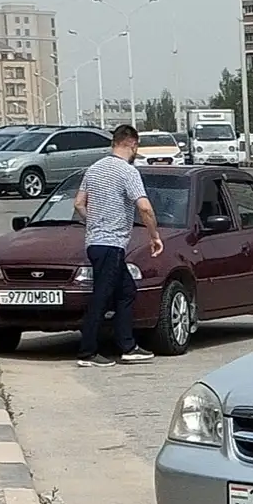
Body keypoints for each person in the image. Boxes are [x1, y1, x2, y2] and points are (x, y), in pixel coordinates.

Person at [72, 124, 164, 366]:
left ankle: (128, 346)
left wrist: (93, 220)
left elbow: (79, 203)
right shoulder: (127, 172)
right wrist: (154, 236)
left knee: (126, 291)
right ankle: (87, 352)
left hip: (94, 242)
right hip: (111, 244)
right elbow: (144, 207)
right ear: (132, 144)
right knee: (101, 296)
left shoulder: (94, 169)